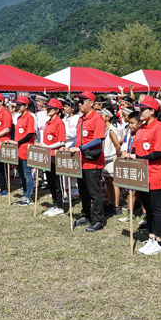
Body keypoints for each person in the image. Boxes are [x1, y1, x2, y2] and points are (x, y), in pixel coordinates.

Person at [123, 96, 161, 255]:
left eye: (144, 109)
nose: (140, 112)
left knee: (157, 208)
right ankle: (151, 237)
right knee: (148, 209)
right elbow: (136, 148)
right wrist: (131, 156)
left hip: (156, 173)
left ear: (152, 111)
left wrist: (138, 158)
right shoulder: (142, 128)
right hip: (141, 174)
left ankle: (160, 241)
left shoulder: (160, 128)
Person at [70, 92, 107, 232]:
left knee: (94, 192)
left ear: (91, 103)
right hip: (81, 160)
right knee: (83, 191)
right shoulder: (81, 119)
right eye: (78, 101)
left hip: (93, 161)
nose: (79, 104)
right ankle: (86, 215)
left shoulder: (97, 118)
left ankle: (98, 220)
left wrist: (80, 148)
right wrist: (69, 148)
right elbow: (78, 139)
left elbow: (98, 139)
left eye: (82, 101)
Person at [39, 98, 67, 216]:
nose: (47, 110)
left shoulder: (59, 122)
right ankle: (54, 203)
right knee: (50, 181)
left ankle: (59, 206)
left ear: (56, 110)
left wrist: (47, 146)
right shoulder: (48, 122)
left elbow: (62, 141)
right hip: (47, 155)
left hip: (54, 155)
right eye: (47, 108)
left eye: (50, 109)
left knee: (56, 182)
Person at [100, 103, 124, 215]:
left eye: (102, 115)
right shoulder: (103, 128)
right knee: (108, 183)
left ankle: (116, 206)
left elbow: (117, 145)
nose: (100, 117)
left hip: (112, 159)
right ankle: (110, 204)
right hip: (105, 159)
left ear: (108, 117)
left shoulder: (111, 129)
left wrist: (118, 158)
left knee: (115, 183)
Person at [13, 96, 35, 206]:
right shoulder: (19, 117)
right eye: (17, 105)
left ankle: (29, 196)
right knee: (21, 174)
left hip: (25, 150)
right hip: (19, 150)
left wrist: (18, 142)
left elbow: (30, 134)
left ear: (26, 106)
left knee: (27, 174)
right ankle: (25, 193)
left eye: (19, 105)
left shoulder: (29, 117)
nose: (17, 107)